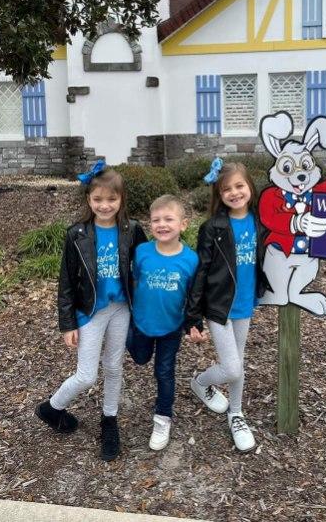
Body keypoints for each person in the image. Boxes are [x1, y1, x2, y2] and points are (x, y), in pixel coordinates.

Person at [35, 160, 146, 461]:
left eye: (111, 199)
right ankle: (51, 408)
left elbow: (145, 265)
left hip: (120, 309)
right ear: (89, 200)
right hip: (90, 312)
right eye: (98, 199)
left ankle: (109, 420)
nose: (105, 205)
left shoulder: (131, 230)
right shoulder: (77, 234)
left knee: (113, 367)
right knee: (86, 376)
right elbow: (67, 281)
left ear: (121, 200)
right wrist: (67, 323)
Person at [185, 159, 270, 452]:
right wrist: (193, 316)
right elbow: (201, 272)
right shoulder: (213, 228)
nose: (234, 193)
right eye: (226, 189)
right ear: (219, 195)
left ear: (250, 187)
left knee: (238, 360)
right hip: (218, 307)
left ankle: (236, 413)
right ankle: (200, 381)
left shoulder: (261, 221)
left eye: (239, 186)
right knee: (232, 368)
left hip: (246, 302)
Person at [127, 195, 198, 451]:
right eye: (156, 220)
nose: (162, 224)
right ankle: (128, 336)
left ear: (183, 224)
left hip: (171, 327)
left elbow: (194, 296)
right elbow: (134, 281)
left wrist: (193, 324)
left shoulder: (191, 260)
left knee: (164, 372)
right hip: (141, 324)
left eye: (169, 219)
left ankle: (163, 417)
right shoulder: (142, 252)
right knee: (140, 358)